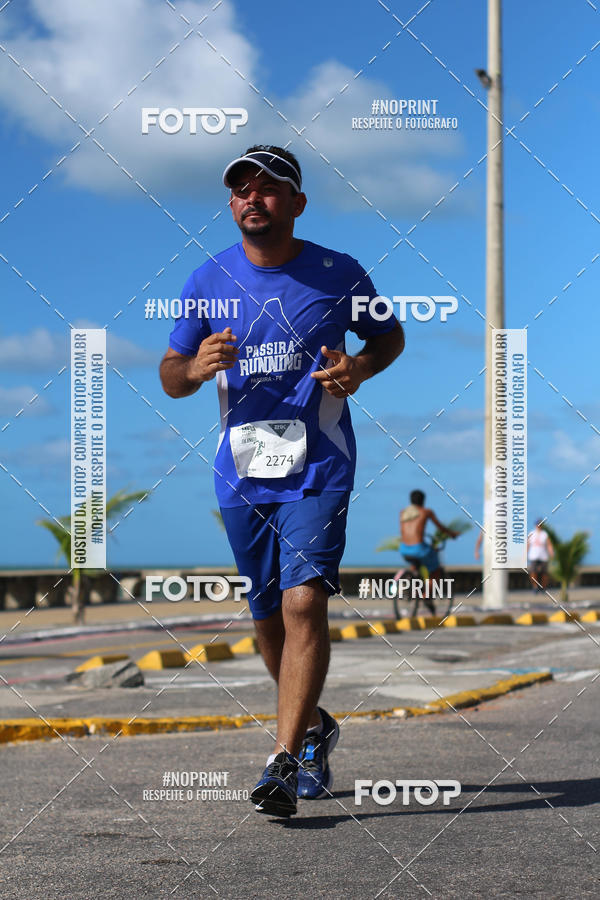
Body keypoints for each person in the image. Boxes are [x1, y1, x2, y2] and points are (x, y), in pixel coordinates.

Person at [159, 145, 405, 817]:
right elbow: (171, 375)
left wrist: (359, 368)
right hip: (242, 471)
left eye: (268, 188)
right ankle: (314, 727)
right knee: (267, 615)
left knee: (303, 603)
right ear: (231, 203)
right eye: (242, 188)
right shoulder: (207, 279)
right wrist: (195, 367)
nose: (253, 198)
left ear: (296, 202)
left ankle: (282, 760)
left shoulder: (338, 272)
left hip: (320, 464)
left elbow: (388, 337)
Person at [399, 490, 458, 605]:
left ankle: (411, 580)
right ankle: (426, 595)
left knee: (415, 563)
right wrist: (452, 534)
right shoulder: (426, 512)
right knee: (435, 570)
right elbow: (441, 528)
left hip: (404, 548)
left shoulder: (403, 512)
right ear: (423, 501)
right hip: (418, 549)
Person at [527, 519, 554, 591]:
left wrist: (551, 553)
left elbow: (549, 544)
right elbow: (528, 544)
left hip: (543, 556)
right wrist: (525, 554)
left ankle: (543, 587)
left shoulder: (545, 534)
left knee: (544, 573)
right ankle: (535, 586)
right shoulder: (531, 533)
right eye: (538, 524)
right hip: (533, 555)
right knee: (533, 572)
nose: (539, 526)